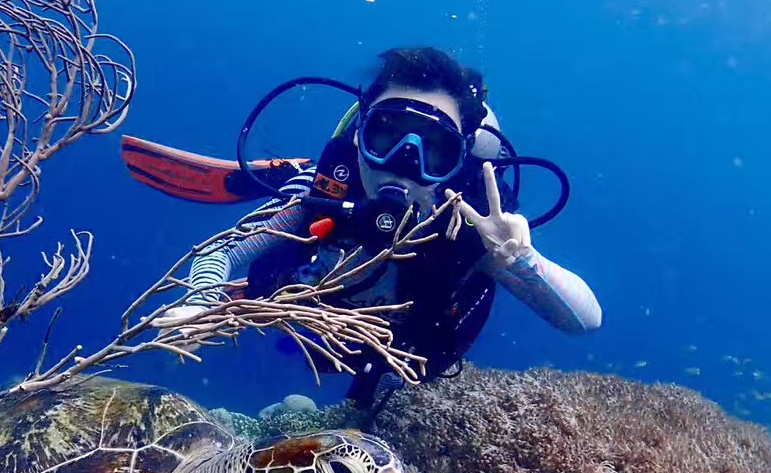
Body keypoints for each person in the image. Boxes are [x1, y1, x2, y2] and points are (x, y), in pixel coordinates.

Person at [129, 46, 601, 409]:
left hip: (396, 355)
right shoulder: (328, 193)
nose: (404, 164)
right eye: (386, 136)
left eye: (433, 148)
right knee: (287, 233)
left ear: (457, 162)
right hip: (309, 315)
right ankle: (287, 181)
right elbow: (224, 253)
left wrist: (520, 260)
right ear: (359, 139)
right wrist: (199, 303)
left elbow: (585, 321)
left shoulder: (472, 226)